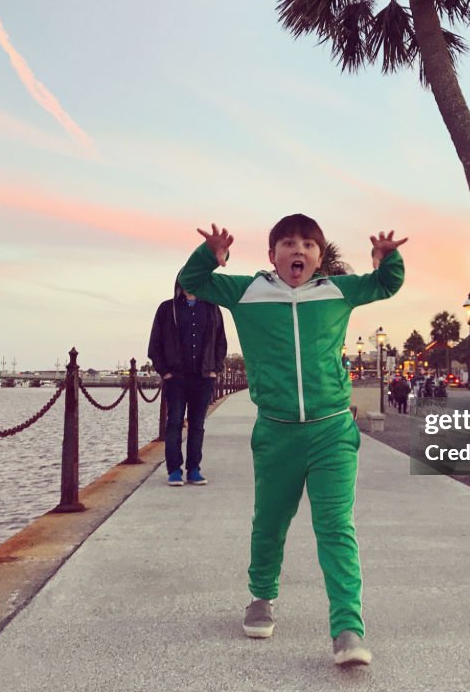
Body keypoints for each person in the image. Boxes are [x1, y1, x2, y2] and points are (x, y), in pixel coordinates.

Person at [178, 215, 406, 667]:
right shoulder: (247, 292)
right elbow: (194, 281)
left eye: (307, 244)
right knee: (270, 521)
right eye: (287, 243)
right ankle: (261, 597)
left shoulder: (338, 292)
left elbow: (386, 284)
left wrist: (388, 258)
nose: (296, 250)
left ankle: (347, 629)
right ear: (272, 255)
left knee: (336, 528)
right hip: (276, 431)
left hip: (332, 431)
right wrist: (213, 255)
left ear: (319, 257)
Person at [147, 280, 226, 486]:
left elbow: (221, 342)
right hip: (176, 378)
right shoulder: (167, 309)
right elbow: (155, 344)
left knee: (197, 425)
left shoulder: (212, 308)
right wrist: (165, 372)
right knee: (174, 423)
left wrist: (214, 369)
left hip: (203, 378)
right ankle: (174, 470)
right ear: (179, 282)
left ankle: (194, 469)